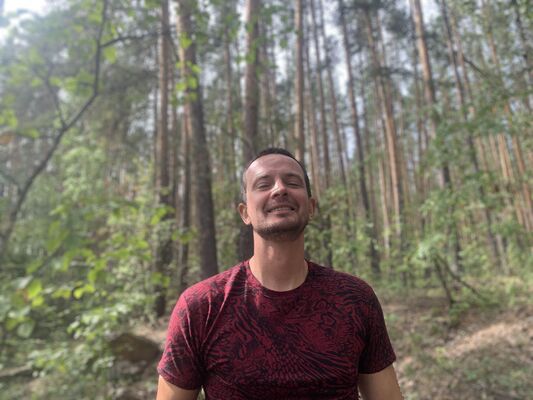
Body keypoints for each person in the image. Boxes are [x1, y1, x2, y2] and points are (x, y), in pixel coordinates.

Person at [156, 148, 403, 400]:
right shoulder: (202, 306)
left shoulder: (355, 299)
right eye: (263, 184)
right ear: (245, 213)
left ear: (311, 207)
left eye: (292, 182)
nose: (280, 189)